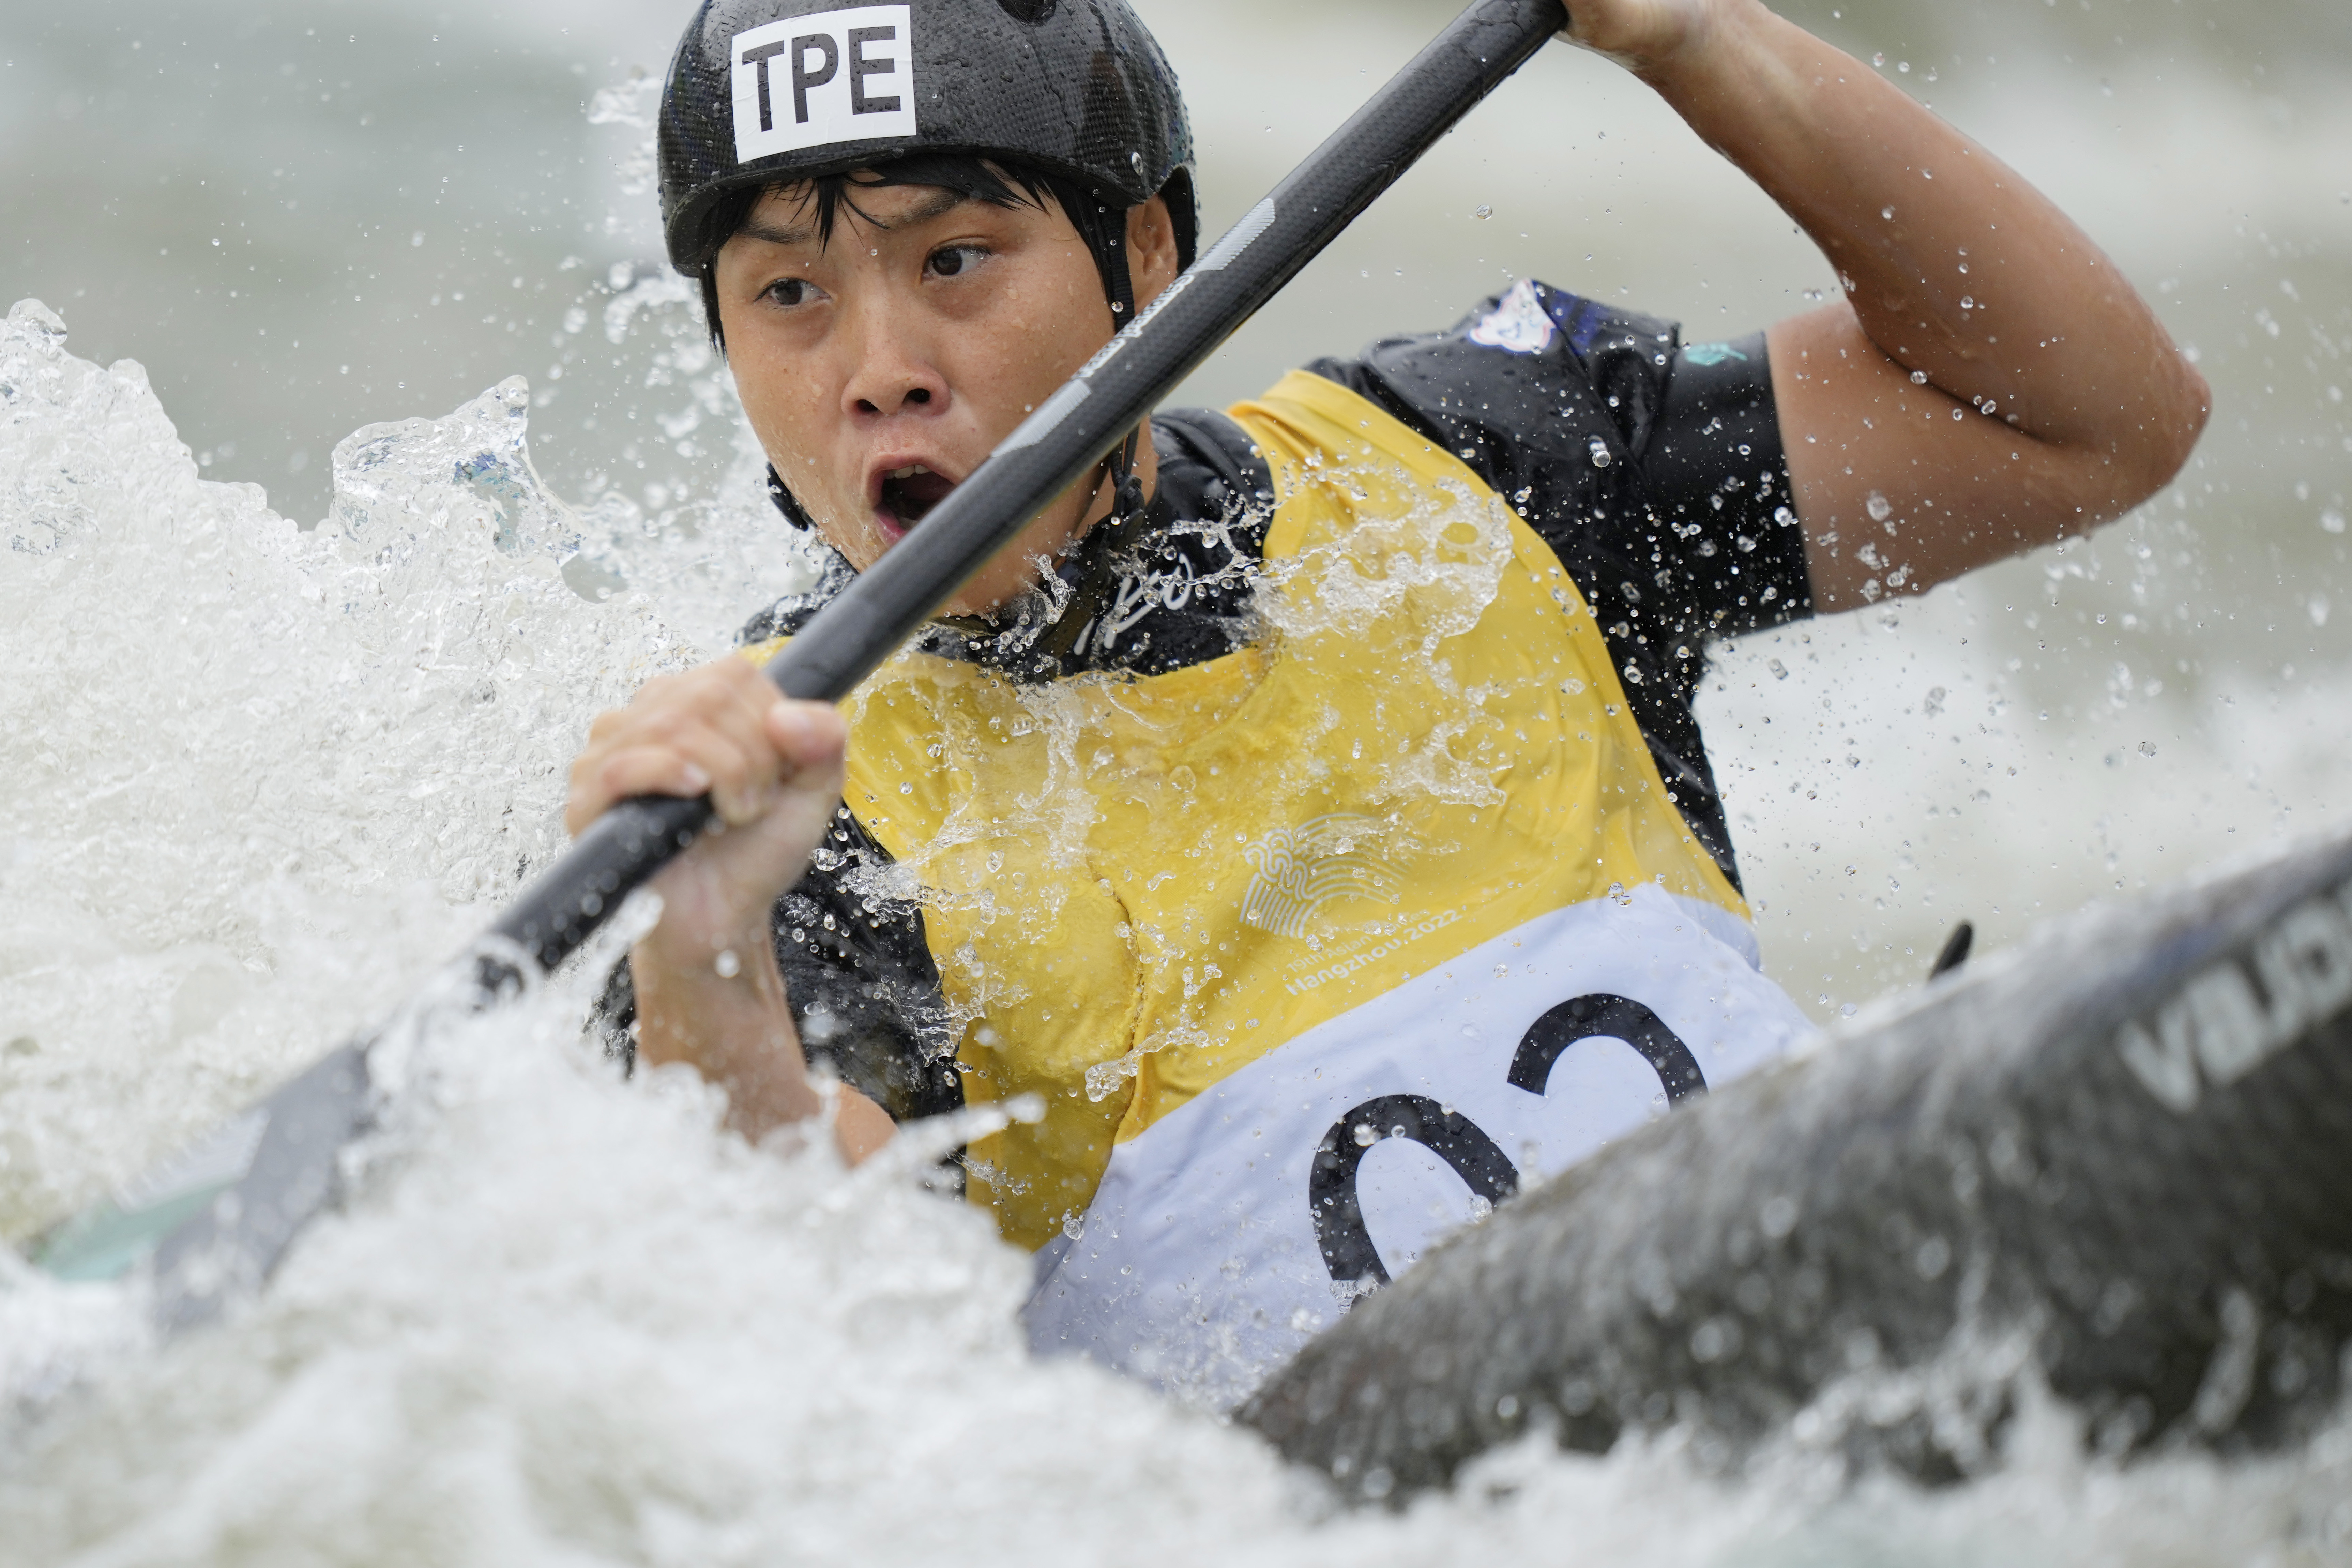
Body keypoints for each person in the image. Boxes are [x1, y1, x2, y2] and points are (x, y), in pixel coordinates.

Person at [570, 0, 2207, 1401]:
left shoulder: (1475, 465)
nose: (880, 368)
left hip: (1844, 1307)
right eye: (788, 295)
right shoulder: (772, 819)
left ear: (1146, 256)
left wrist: (1700, 42)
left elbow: (2096, 424)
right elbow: (805, 1359)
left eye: (955, 257)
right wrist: (700, 952)